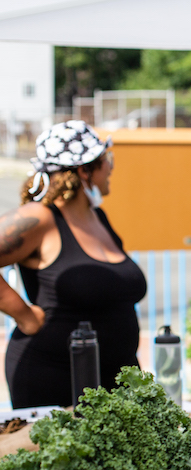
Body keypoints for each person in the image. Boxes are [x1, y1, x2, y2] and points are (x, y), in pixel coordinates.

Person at [1, 120, 147, 408]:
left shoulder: (99, 218)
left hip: (115, 380)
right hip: (51, 377)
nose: (111, 167)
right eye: (106, 159)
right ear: (85, 169)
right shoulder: (40, 218)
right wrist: (24, 315)